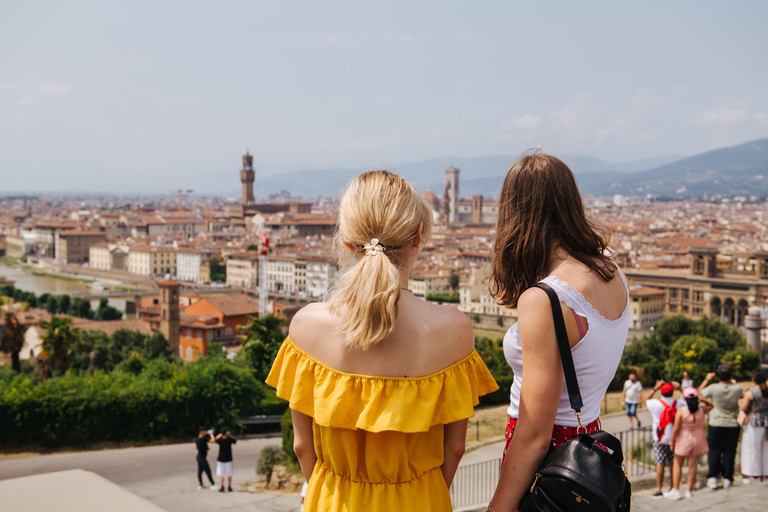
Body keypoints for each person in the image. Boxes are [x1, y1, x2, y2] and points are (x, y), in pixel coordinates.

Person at [265, 170, 498, 512]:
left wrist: (332, 492)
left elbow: (303, 447)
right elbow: (455, 448)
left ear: (345, 237)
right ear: (419, 235)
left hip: (335, 501)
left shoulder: (305, 326)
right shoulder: (455, 330)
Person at [485, 152, 630, 512]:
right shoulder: (610, 269)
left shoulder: (545, 299)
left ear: (514, 213)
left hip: (550, 457)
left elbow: (534, 433)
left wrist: (498, 508)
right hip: (587, 443)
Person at [698, 364, 743, 489]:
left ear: (717, 376)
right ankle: (728, 477)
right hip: (732, 423)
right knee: (729, 452)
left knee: (714, 451)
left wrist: (707, 379)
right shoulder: (737, 388)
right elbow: (735, 386)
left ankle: (712, 476)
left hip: (716, 423)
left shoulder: (713, 388)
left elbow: (699, 393)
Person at [665, 388, 713, 500]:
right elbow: (711, 406)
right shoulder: (701, 410)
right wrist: (703, 399)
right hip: (697, 438)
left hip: (684, 438)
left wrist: (672, 440)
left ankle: (676, 489)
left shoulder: (682, 411)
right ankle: (689, 490)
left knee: (678, 464)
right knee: (692, 465)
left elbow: (676, 429)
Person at [645, 381, 685, 498]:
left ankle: (659, 489)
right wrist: (681, 389)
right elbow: (688, 401)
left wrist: (655, 388)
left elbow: (645, 400)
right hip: (675, 438)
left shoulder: (655, 404)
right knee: (674, 464)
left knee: (660, 464)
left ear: (661, 391)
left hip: (659, 438)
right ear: (673, 391)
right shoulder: (679, 404)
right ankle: (673, 486)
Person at [740, 369, 768, 483]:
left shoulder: (751, 392)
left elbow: (743, 407)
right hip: (766, 421)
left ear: (754, 379)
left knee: (753, 449)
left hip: (755, 422)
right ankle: (765, 472)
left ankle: (754, 474)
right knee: (765, 449)